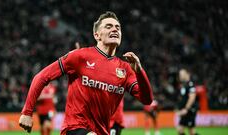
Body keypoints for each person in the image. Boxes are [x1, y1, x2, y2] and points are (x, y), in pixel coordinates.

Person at [19, 11, 153, 135]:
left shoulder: (125, 68)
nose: (114, 29)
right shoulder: (80, 57)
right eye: (108, 26)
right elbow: (41, 77)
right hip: (74, 128)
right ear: (97, 35)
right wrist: (27, 112)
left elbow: (147, 99)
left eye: (118, 27)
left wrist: (139, 71)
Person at [176, 69, 199, 135]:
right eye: (180, 74)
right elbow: (183, 99)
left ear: (187, 74)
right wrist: (179, 108)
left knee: (191, 132)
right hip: (184, 111)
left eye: (181, 74)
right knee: (180, 129)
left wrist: (186, 109)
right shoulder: (184, 85)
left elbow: (192, 97)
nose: (180, 76)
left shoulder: (190, 84)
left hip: (190, 110)